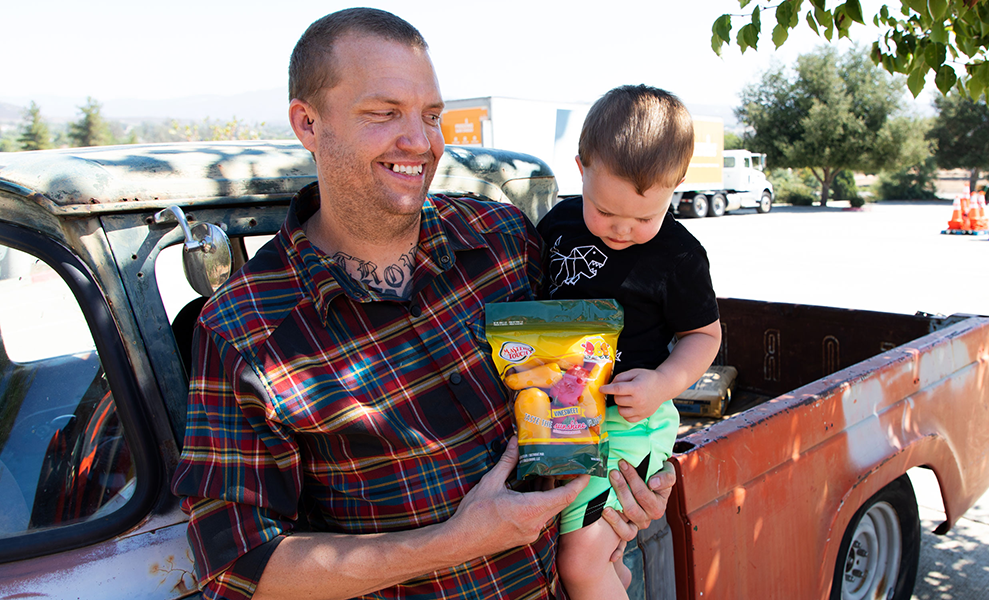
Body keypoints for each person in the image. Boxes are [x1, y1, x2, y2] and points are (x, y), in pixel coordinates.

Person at [170, 9, 674, 600]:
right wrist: (456, 541)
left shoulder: (502, 238)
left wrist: (628, 483)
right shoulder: (246, 328)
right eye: (384, 113)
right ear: (308, 124)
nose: (420, 141)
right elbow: (239, 570)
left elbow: (594, 371)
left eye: (431, 115)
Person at [536, 85, 722, 600]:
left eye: (643, 218)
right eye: (605, 210)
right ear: (581, 167)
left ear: (677, 184)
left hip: (630, 420)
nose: (620, 230)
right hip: (562, 414)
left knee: (580, 557)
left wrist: (665, 381)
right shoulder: (557, 226)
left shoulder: (680, 256)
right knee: (583, 552)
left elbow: (704, 335)